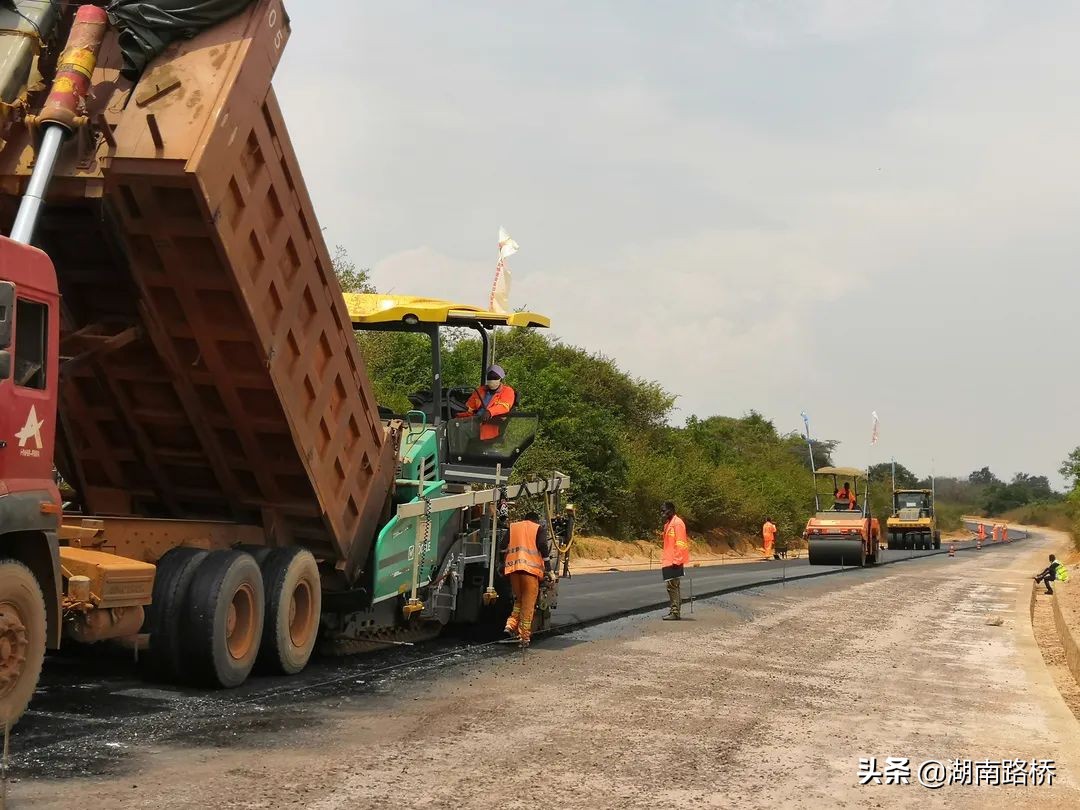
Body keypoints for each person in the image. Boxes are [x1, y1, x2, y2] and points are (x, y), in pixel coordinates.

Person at [503, 511, 551, 647]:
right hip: (530, 572)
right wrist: (548, 568)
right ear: (536, 520)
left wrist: (502, 562)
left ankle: (510, 625)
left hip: (514, 570)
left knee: (519, 600)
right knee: (528, 606)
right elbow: (543, 546)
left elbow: (502, 545)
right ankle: (523, 637)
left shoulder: (513, 527)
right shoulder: (538, 528)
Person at [459, 364, 516, 441]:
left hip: (490, 425)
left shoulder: (507, 391)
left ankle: (459, 449)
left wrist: (490, 412)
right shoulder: (480, 390)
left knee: (461, 430)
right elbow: (469, 407)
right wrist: (459, 412)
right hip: (475, 420)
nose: (492, 380)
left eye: (495, 378)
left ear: (500, 379)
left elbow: (504, 406)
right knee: (455, 426)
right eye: (490, 378)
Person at [660, 501, 690, 620]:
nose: (662, 513)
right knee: (671, 586)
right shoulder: (668, 524)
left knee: (672, 586)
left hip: (674, 560)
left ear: (671, 510)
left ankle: (675, 612)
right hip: (668, 560)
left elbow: (681, 543)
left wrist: (677, 560)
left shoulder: (677, 523)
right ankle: (675, 611)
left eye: (664, 511)